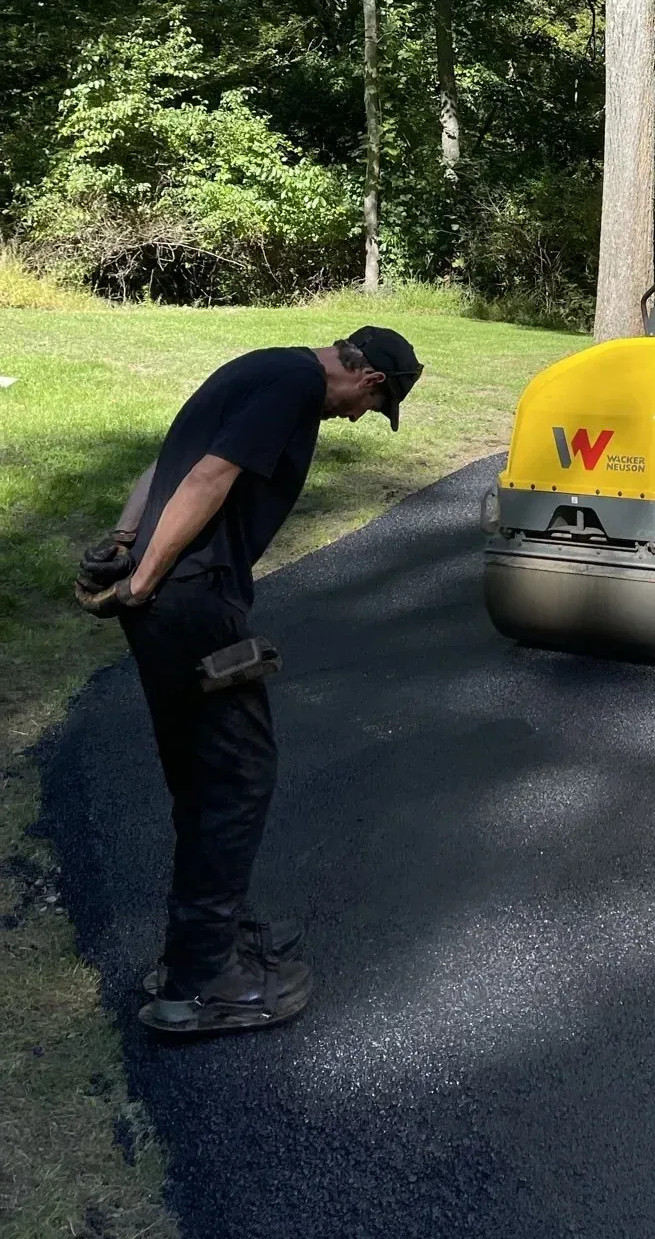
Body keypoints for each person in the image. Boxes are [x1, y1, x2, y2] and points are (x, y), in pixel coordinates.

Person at [75, 326, 422, 1039]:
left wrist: (120, 541)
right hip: (192, 603)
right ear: (369, 381)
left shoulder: (261, 367)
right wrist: (139, 581)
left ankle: (209, 939)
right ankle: (203, 982)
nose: (356, 419)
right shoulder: (295, 388)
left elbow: (166, 465)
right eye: (369, 408)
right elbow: (208, 477)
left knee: (205, 780)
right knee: (237, 779)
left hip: (173, 601)